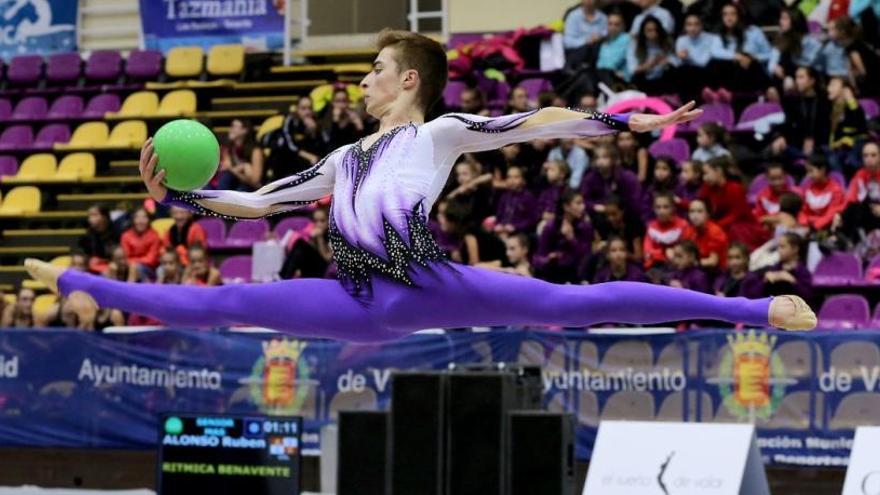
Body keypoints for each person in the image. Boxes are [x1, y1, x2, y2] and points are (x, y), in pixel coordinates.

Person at [27, 29, 816, 342]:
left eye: (373, 70)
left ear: (408, 79)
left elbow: (533, 121)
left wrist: (616, 124)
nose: (363, 82)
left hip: (434, 284)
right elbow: (261, 202)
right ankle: (72, 275)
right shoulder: (342, 159)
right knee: (222, 301)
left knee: (578, 302)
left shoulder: (436, 132)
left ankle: (752, 309)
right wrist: (179, 200)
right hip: (358, 301)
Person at [699, 156, 768, 249]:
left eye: (706, 173)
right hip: (721, 225)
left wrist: (716, 226)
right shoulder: (708, 187)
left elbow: (736, 215)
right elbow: (698, 203)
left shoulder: (735, 188)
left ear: (718, 171)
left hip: (742, 227)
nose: (704, 178)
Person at [707, 3, 772, 93]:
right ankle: (718, 94)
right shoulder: (719, 34)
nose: (729, 18)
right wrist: (738, 56)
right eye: (725, 14)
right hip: (730, 72)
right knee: (714, 63)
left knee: (747, 58)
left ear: (739, 15)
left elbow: (768, 54)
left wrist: (753, 57)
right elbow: (714, 51)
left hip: (751, 69)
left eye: (732, 14)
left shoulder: (753, 31)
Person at [533, 190, 593, 283]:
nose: (583, 207)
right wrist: (549, 259)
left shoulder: (585, 227)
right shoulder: (551, 226)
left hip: (575, 273)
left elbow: (586, 256)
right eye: (578, 203)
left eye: (583, 203)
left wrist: (572, 239)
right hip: (553, 271)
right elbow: (538, 257)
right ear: (566, 206)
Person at [627, 16, 677, 95]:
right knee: (636, 78)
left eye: (655, 30)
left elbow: (676, 61)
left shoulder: (666, 42)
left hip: (661, 79)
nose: (653, 33)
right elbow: (632, 69)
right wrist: (649, 65)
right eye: (649, 30)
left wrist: (666, 61)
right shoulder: (636, 45)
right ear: (643, 31)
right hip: (644, 79)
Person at [799, 153, 846, 232]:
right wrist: (804, 223)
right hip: (807, 227)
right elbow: (803, 211)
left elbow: (831, 213)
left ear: (822, 170)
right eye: (807, 172)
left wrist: (814, 227)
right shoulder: (807, 188)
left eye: (811, 171)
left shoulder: (835, 190)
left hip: (825, 227)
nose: (808, 175)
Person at [216, 118, 265, 191]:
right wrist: (243, 167)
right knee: (226, 176)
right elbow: (226, 167)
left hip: (252, 186)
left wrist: (234, 169)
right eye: (231, 126)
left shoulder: (255, 150)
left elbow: (255, 180)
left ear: (245, 130)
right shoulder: (229, 147)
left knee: (241, 188)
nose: (231, 129)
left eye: (234, 126)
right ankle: (220, 199)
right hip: (236, 181)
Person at [644, 192, 689, 270]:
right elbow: (647, 253)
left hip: (677, 268)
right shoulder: (651, 226)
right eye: (658, 207)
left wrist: (656, 254)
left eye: (666, 207)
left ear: (673, 208)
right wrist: (664, 252)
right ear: (653, 209)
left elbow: (683, 253)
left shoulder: (683, 225)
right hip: (655, 268)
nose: (661, 211)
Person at [684, 198, 729, 270]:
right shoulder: (689, 230)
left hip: (716, 271)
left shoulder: (715, 232)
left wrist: (691, 263)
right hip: (696, 268)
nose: (695, 216)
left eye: (700, 211)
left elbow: (713, 261)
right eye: (692, 211)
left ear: (708, 214)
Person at [563, 0, 608, 70]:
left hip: (597, 53)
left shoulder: (603, 17)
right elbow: (567, 42)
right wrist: (586, 41)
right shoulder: (573, 16)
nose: (589, 1)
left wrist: (600, 36)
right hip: (578, 52)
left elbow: (607, 33)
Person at [753, 163, 800, 228]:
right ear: (767, 178)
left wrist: (770, 219)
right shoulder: (762, 196)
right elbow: (759, 218)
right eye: (773, 179)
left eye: (780, 178)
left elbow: (799, 215)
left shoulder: (795, 193)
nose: (777, 182)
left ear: (785, 176)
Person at [120, 208, 162, 280]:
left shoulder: (154, 236)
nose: (140, 221)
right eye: (137, 217)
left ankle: (129, 290)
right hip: (127, 265)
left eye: (144, 217)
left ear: (149, 220)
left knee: (134, 267)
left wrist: (133, 262)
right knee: (112, 267)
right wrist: (131, 262)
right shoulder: (126, 235)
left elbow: (151, 259)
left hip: (148, 268)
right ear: (133, 220)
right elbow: (125, 257)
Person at [77, 205, 120, 274]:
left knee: (112, 268)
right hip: (92, 266)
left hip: (111, 267)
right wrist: (87, 259)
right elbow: (80, 251)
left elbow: (119, 257)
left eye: (94, 215)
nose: (90, 219)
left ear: (104, 217)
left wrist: (102, 261)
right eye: (89, 216)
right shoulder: (87, 235)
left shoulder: (116, 233)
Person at [321, 87, 365, 151]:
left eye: (344, 101)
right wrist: (335, 120)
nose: (341, 105)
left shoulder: (352, 118)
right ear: (332, 102)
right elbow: (329, 143)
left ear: (348, 102)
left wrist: (360, 126)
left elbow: (361, 143)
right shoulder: (327, 118)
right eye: (338, 101)